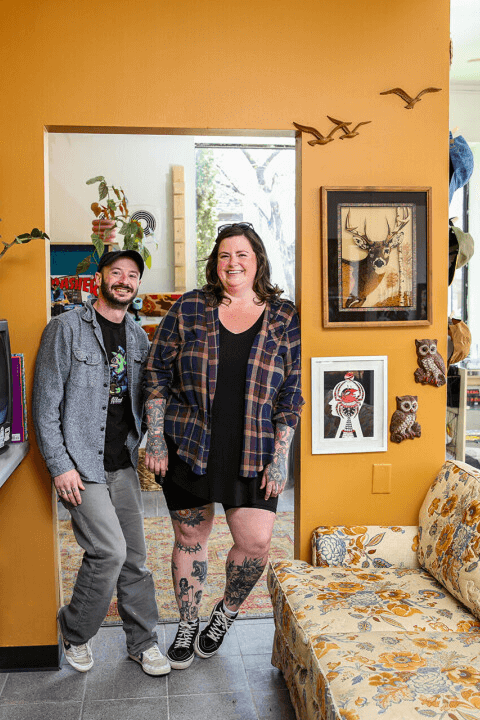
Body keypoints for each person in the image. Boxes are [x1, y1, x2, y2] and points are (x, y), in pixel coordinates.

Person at [143, 222, 303, 670]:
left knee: (255, 543)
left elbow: (292, 393)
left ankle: (225, 613)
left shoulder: (284, 316)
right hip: (190, 442)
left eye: (242, 255)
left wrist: (281, 457)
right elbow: (156, 371)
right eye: (225, 255)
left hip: (254, 449)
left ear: (258, 262)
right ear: (216, 262)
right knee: (190, 538)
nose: (233, 263)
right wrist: (155, 437)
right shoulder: (191, 307)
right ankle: (188, 623)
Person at [32, 249, 170, 677]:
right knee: (108, 551)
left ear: (137, 286)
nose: (124, 281)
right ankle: (75, 630)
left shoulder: (138, 337)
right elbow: (44, 405)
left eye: (132, 275)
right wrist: (60, 466)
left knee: (135, 558)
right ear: (99, 278)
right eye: (117, 273)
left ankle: (143, 642)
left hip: (122, 462)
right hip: (80, 466)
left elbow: (146, 397)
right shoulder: (65, 329)